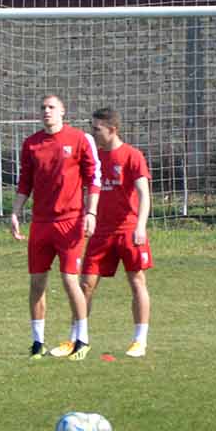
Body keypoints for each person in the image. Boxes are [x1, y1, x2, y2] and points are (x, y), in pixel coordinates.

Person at [9, 94, 100, 361]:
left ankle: (82, 339)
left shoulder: (79, 139)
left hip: (70, 221)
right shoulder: (32, 144)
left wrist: (91, 212)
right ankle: (37, 343)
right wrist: (15, 212)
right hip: (40, 223)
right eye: (43, 108)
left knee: (70, 279)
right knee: (37, 283)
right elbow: (25, 182)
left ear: (63, 111)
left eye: (51, 107)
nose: (46, 112)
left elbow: (92, 178)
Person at [81, 108, 152, 358]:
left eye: (97, 128)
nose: (93, 133)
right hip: (101, 232)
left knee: (136, 281)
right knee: (86, 284)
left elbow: (144, 194)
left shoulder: (132, 156)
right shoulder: (95, 157)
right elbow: (89, 189)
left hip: (128, 230)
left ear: (112, 129)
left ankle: (139, 340)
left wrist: (140, 226)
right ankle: (79, 338)